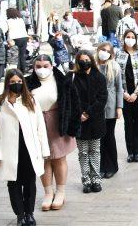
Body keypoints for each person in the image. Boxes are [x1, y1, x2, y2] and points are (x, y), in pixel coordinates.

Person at [0, 69, 50, 226]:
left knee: (29, 182)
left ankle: (29, 213)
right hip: (9, 149)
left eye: (19, 81)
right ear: (7, 83)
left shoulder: (31, 101)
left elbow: (40, 127)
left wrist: (44, 150)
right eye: (13, 82)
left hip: (29, 148)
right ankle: (20, 215)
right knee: (13, 183)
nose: (17, 84)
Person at [25, 55, 75, 212]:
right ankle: (48, 192)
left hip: (57, 120)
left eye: (45, 65)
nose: (42, 69)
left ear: (51, 66)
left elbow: (74, 101)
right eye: (38, 66)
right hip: (36, 122)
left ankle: (60, 191)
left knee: (59, 157)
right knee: (43, 159)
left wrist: (74, 123)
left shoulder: (61, 80)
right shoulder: (27, 82)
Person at [68, 51, 108, 194]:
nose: (85, 62)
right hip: (80, 121)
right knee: (83, 152)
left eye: (87, 59)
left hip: (95, 120)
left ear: (91, 60)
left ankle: (96, 179)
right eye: (82, 60)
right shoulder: (73, 78)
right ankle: (86, 180)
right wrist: (79, 114)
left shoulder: (99, 77)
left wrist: (88, 113)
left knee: (95, 151)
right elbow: (71, 98)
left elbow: (102, 98)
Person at [116, 30, 138, 163]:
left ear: (136, 39)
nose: (130, 39)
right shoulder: (119, 53)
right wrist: (123, 93)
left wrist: (136, 93)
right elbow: (116, 74)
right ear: (124, 39)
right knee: (128, 122)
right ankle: (130, 151)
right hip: (124, 92)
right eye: (127, 37)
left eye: (132, 37)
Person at [95, 42, 123, 179]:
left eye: (107, 51)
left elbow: (119, 88)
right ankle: (101, 166)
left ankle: (112, 166)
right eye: (102, 50)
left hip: (111, 106)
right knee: (99, 138)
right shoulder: (93, 65)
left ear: (111, 53)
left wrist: (119, 107)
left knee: (109, 137)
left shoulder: (115, 66)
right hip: (96, 107)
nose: (104, 52)